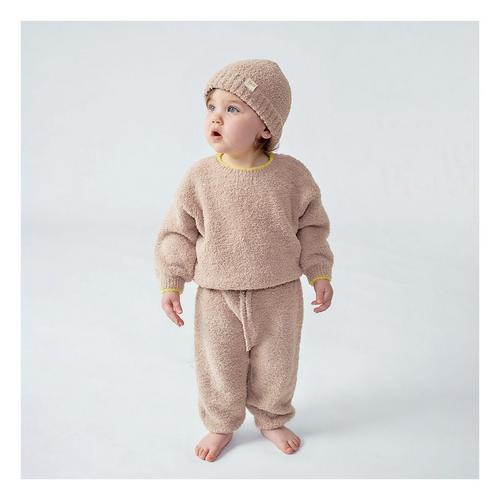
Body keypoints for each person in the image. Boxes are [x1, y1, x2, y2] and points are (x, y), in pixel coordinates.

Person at [153, 59, 334, 462]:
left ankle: (272, 417)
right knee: (218, 363)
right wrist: (172, 281)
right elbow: (178, 232)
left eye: (232, 108)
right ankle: (220, 422)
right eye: (212, 107)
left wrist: (319, 272)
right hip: (218, 294)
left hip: (279, 292)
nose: (216, 117)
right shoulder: (200, 178)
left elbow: (312, 227)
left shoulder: (292, 176)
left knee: (278, 363)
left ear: (265, 127)